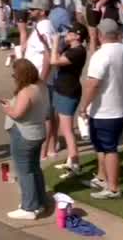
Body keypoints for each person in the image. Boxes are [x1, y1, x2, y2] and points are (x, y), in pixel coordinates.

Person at [78, 18, 123, 200]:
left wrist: (83, 106)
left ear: (100, 34)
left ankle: (113, 188)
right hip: (120, 106)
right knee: (101, 146)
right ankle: (102, 178)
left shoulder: (101, 55)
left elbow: (93, 84)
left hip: (105, 110)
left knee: (109, 148)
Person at [2, 58, 50, 220]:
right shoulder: (41, 86)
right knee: (34, 168)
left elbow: (17, 114)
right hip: (38, 133)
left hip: (24, 135)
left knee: (24, 171)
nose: (14, 77)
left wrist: (7, 108)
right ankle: (39, 202)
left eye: (15, 74)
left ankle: (29, 207)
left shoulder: (26, 91)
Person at [48, 23, 88, 178]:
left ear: (77, 36)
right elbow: (57, 55)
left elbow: (54, 62)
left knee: (67, 131)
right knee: (64, 128)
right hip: (61, 89)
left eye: (70, 32)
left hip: (68, 92)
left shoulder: (78, 52)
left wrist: (55, 42)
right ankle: (71, 159)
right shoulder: (70, 48)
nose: (67, 34)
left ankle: (75, 164)